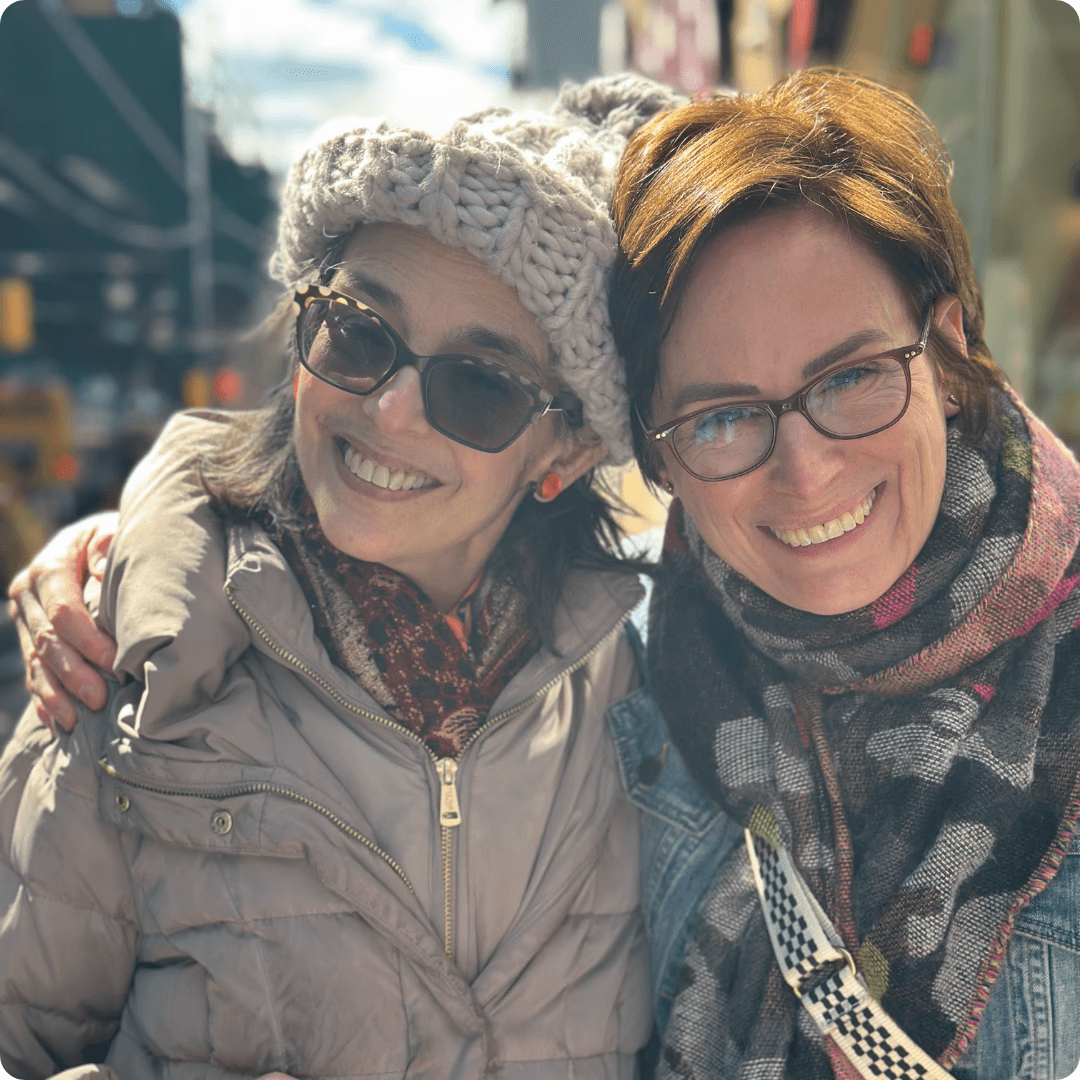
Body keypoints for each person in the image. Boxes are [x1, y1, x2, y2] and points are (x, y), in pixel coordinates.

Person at [0, 74, 683, 1080]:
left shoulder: (637, 714)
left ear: (567, 455)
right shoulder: (130, 664)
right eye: (360, 332)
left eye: (479, 386)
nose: (392, 410)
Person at [603, 67, 1080, 1080]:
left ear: (947, 358)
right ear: (662, 462)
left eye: (854, 375)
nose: (806, 471)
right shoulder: (616, 686)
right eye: (723, 416)